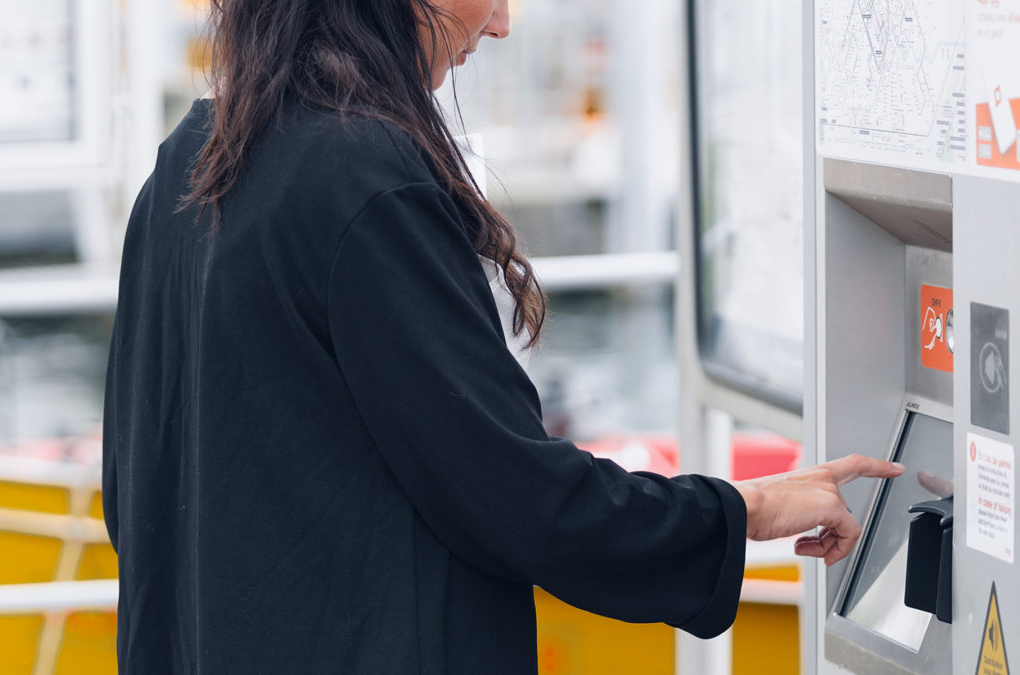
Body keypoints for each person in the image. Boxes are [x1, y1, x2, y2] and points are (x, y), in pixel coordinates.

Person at [101, 0, 903, 672]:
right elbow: (520, 499)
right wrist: (743, 510)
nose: (504, 23)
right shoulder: (362, 180)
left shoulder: (193, 158)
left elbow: (138, 476)